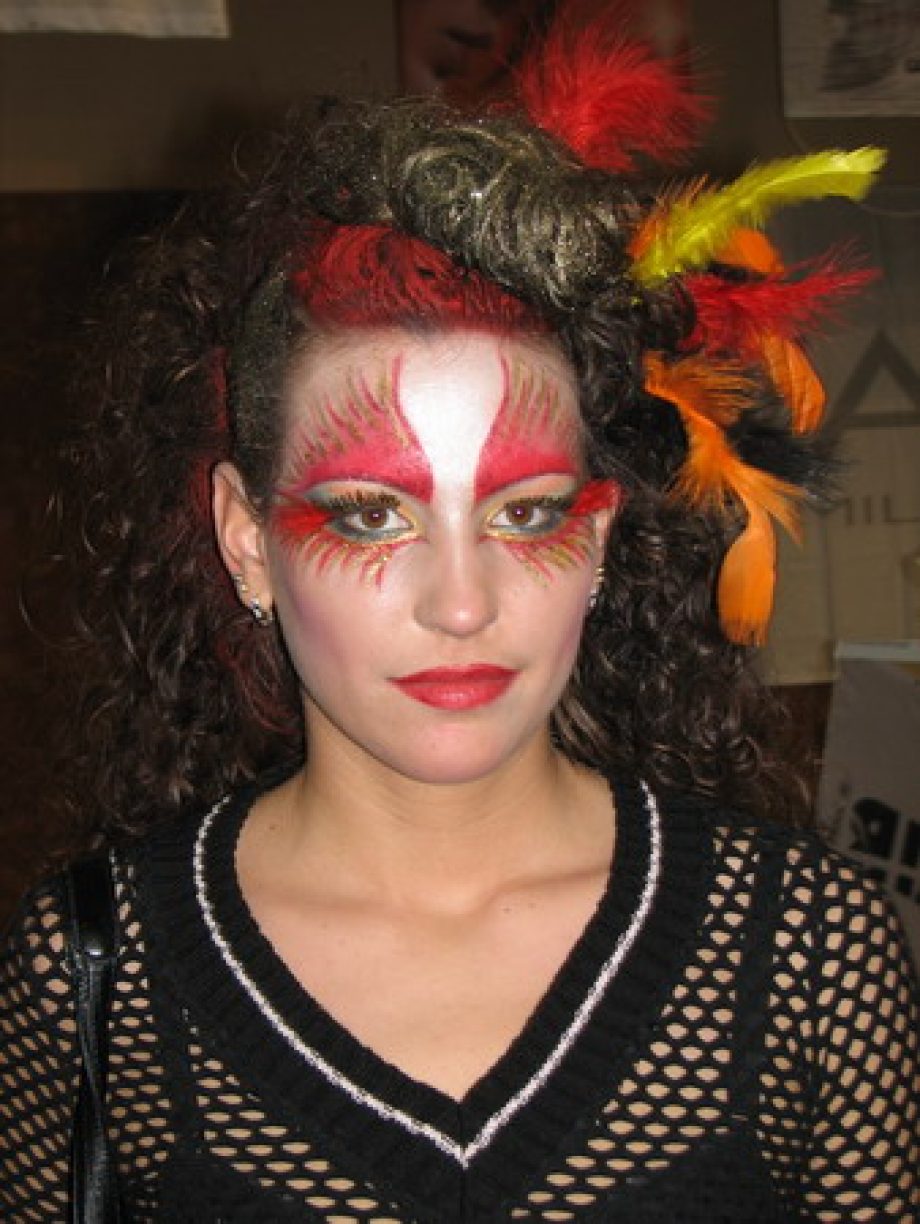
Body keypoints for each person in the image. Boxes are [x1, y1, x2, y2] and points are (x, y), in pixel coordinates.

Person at [1, 9, 917, 1220]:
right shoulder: (92, 967)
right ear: (245, 538)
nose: (461, 602)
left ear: (598, 538)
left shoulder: (806, 946)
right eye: (369, 517)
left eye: (524, 514)